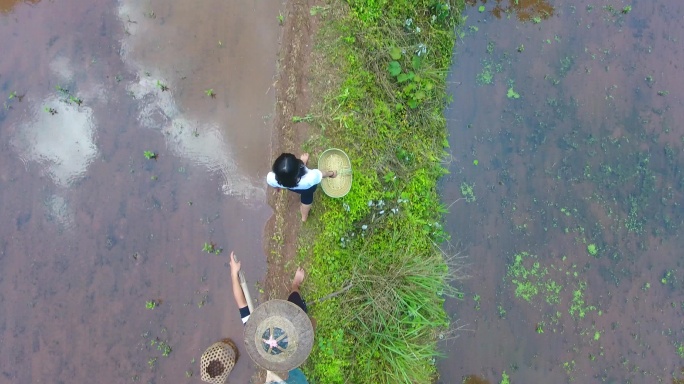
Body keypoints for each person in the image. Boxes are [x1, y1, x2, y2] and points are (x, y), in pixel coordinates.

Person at [229, 252, 310, 384]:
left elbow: (241, 303)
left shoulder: (254, 330)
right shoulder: (292, 347)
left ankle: (295, 285)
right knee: (305, 316)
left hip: (289, 317)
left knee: (295, 299)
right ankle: (295, 285)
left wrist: (234, 274)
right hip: (292, 338)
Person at [266, 153, 337, 222]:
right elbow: (322, 174)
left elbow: (274, 185)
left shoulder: (271, 178)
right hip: (307, 189)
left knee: (306, 201)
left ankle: (304, 217)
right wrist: (332, 173)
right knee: (307, 200)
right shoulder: (311, 177)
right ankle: (304, 216)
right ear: (299, 166)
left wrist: (277, 188)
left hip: (290, 187)